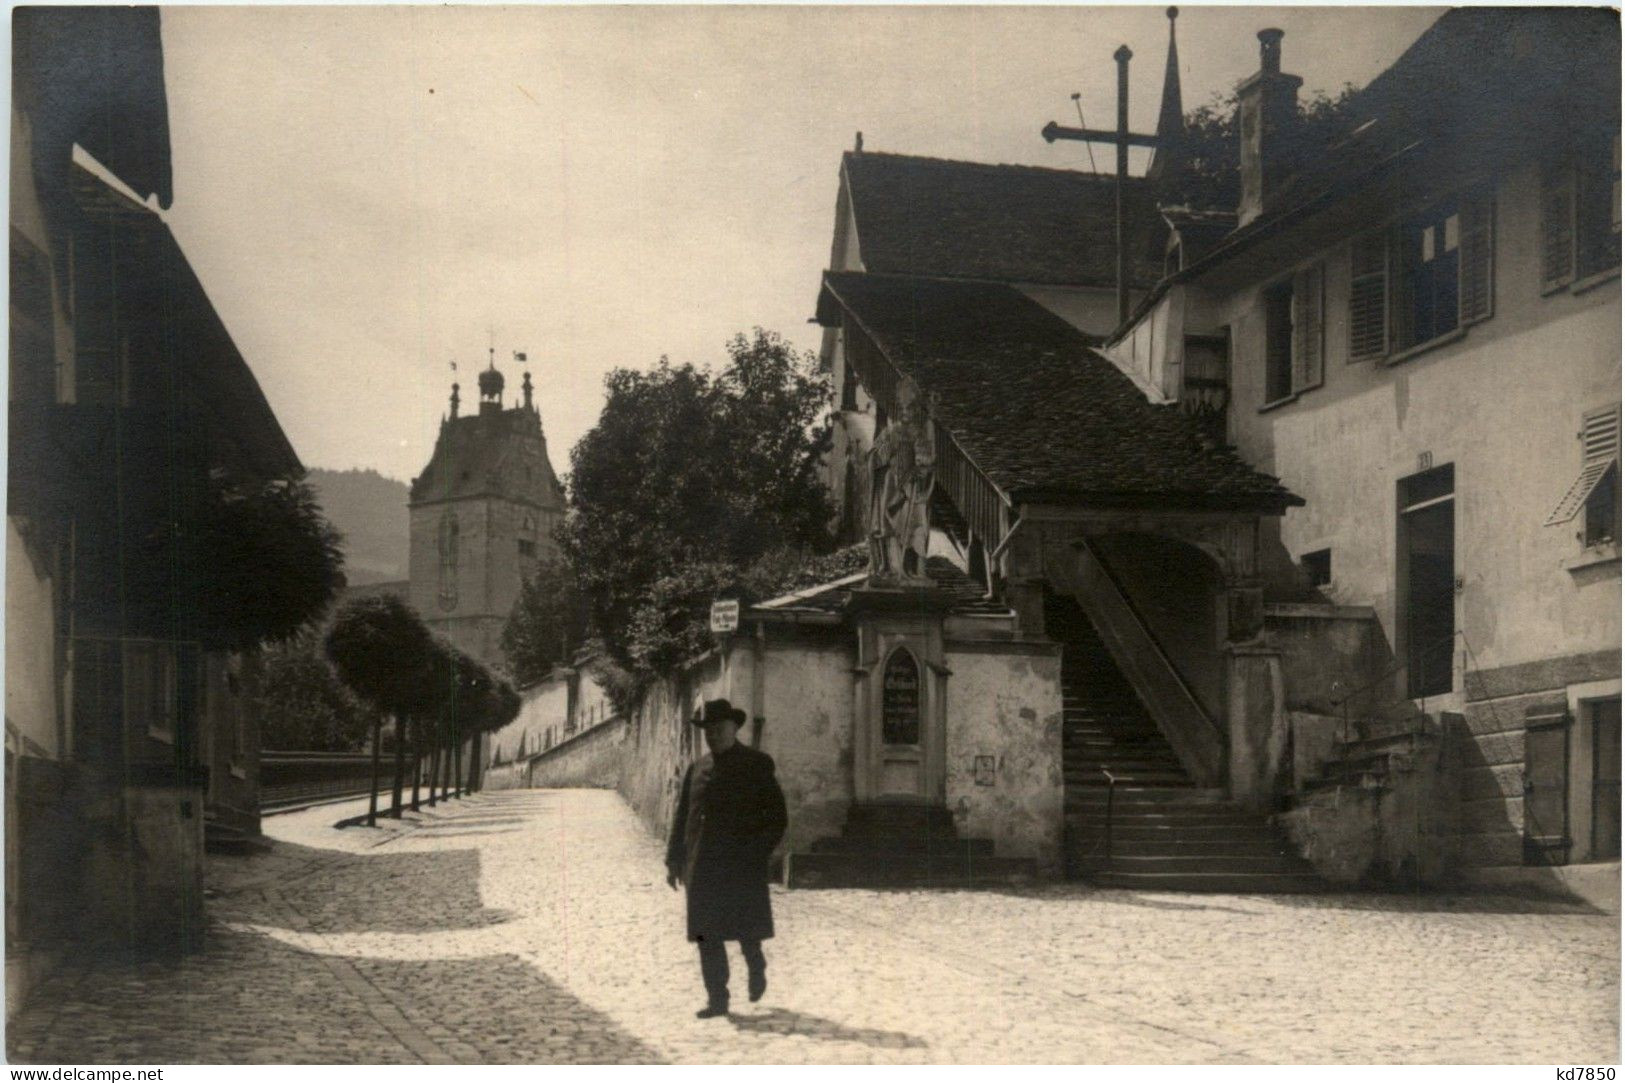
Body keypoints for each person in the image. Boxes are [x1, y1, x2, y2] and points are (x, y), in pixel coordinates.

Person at [665, 698, 789, 1019]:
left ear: (734, 728)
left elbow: (776, 816)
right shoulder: (698, 768)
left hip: (740, 866)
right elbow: (684, 818)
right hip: (702, 866)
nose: (713, 736)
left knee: (746, 928)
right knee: (707, 935)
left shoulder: (756, 764)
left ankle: (755, 962)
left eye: (719, 729)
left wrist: (758, 852)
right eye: (707, 731)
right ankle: (717, 1000)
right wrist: (674, 860)